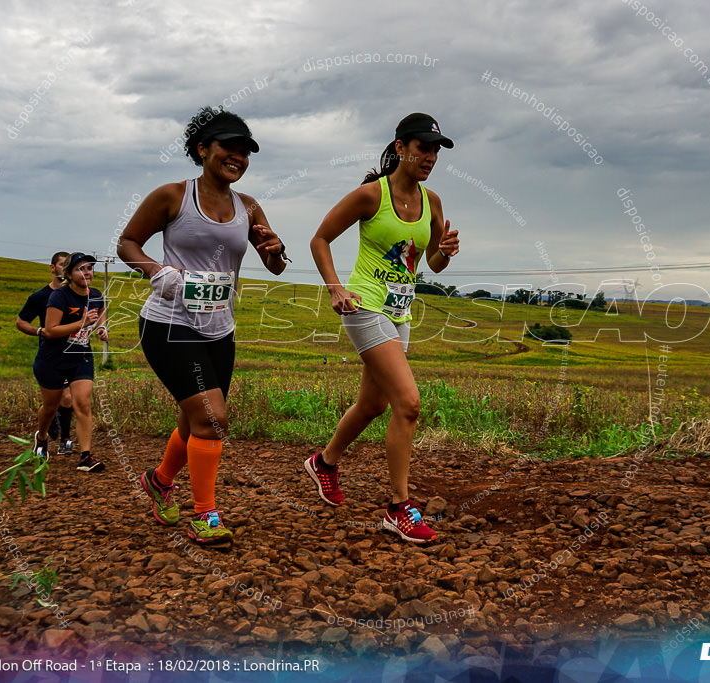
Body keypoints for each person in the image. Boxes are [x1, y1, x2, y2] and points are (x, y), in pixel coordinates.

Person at [118, 107, 288, 546]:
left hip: (220, 328)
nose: (237, 156)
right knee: (213, 420)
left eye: (245, 151)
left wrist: (275, 249)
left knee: (198, 421)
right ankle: (204, 515)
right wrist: (157, 272)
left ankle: (159, 481)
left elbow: (273, 265)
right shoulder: (173, 196)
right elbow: (127, 242)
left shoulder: (248, 206)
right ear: (202, 149)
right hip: (171, 325)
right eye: (228, 147)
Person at [306, 113, 460, 544]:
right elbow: (320, 238)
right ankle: (398, 506)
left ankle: (325, 462)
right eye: (422, 147)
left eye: (435, 150)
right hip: (363, 305)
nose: (429, 157)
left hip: (399, 310)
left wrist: (445, 251)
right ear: (399, 147)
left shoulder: (433, 203)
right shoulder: (371, 195)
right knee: (408, 403)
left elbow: (431, 263)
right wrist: (335, 289)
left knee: (373, 405)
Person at [32, 252, 108, 472]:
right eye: (80, 269)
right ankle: (42, 437)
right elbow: (50, 330)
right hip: (52, 359)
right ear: (68, 274)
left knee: (83, 403)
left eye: (89, 268)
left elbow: (101, 312)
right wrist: (81, 323)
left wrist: (101, 327)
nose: (87, 272)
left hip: (80, 356)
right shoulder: (59, 297)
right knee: (51, 406)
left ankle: (85, 457)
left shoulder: (94, 294)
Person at [16, 251, 75, 455]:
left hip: (74, 353)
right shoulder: (40, 297)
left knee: (67, 398)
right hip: (50, 354)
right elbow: (21, 321)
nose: (64, 269)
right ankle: (43, 433)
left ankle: (65, 440)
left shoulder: (77, 295)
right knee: (51, 403)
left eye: (68, 266)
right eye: (61, 265)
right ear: (52, 268)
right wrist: (39, 331)